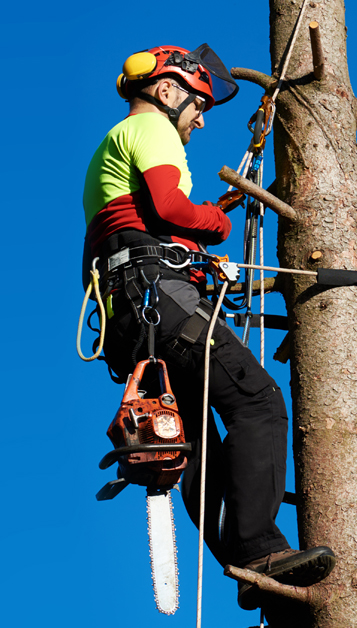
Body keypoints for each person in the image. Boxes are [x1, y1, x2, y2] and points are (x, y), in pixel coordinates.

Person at [82, 44, 335, 610]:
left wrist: (196, 240)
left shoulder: (112, 152)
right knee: (258, 401)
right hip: (161, 304)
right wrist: (216, 222)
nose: (201, 117)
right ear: (167, 92)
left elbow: (147, 225)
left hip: (131, 318)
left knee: (197, 440)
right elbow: (172, 209)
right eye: (197, 103)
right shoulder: (151, 131)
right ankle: (260, 550)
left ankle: (248, 569)